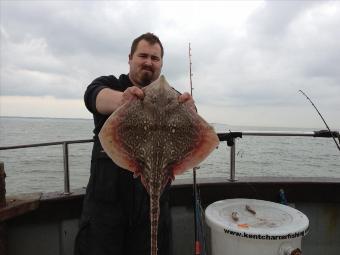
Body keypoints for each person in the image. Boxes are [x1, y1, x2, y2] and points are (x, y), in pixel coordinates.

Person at [74, 32, 194, 255]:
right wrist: (123, 101)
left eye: (155, 58)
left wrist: (191, 111)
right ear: (130, 58)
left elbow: (196, 133)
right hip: (105, 212)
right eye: (143, 56)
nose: (148, 62)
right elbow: (93, 96)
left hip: (153, 209)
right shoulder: (111, 84)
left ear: (161, 64)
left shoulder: (172, 98)